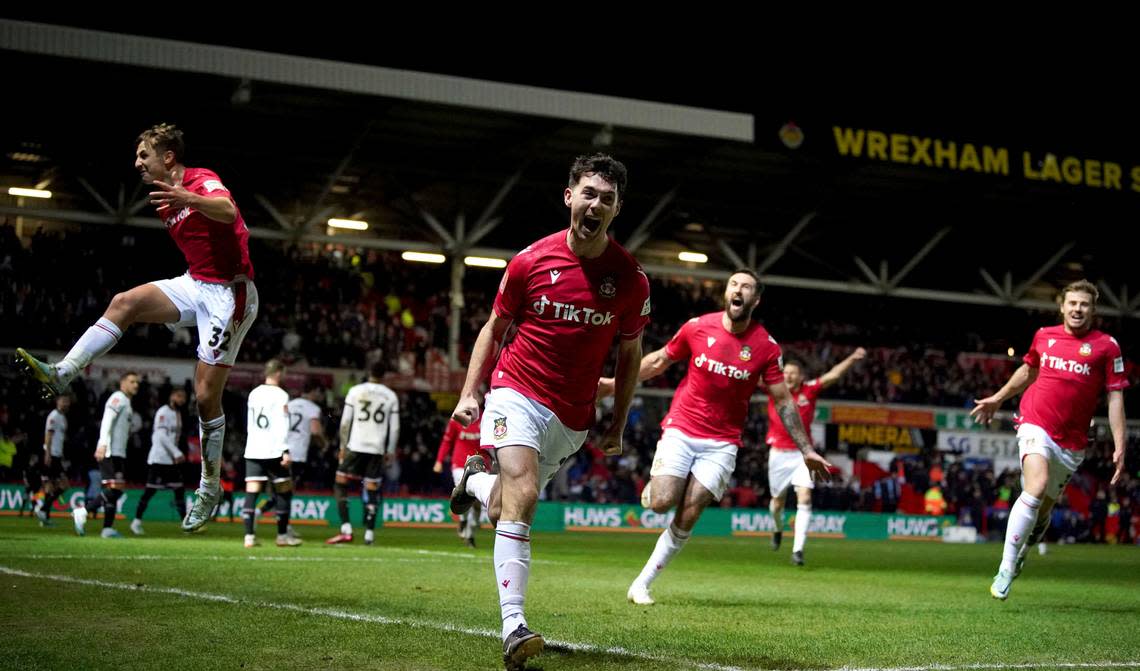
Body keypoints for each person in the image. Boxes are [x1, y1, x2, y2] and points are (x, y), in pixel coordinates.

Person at [448, 154, 649, 670]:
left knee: (501, 507)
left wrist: (620, 424)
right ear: (569, 197)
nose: (595, 204)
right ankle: (513, 626)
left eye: (606, 198)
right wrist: (471, 391)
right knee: (526, 492)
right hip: (515, 389)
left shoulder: (629, 280)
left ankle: (472, 481)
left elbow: (629, 357)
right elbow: (494, 329)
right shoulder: (530, 261)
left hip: (572, 417)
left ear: (617, 208)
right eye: (588, 193)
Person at [16, 123, 258, 533]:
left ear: (168, 157)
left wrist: (189, 196)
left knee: (203, 398)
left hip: (229, 294)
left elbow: (228, 211)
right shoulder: (162, 201)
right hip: (195, 283)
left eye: (144, 154)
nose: (137, 163)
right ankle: (62, 373)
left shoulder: (200, 179)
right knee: (124, 303)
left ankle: (209, 487)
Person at [598, 270, 831, 606]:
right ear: (726, 293)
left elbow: (783, 400)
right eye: (733, 284)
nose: (738, 290)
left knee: (690, 511)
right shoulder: (697, 327)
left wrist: (806, 448)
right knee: (663, 501)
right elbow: (660, 360)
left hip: (722, 442)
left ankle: (642, 584)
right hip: (681, 427)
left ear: (756, 299)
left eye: (746, 287)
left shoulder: (766, 346)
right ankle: (658, 487)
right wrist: (614, 383)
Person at [971, 280, 1128, 600]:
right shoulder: (1044, 336)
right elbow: (1028, 371)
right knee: (1036, 486)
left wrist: (1119, 443)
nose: (1077, 309)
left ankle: (1026, 548)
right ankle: (1005, 567)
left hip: (1071, 442)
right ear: (1062, 306)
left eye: (1084, 304)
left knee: (1044, 510)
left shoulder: (1107, 346)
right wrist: (998, 398)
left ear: (1093, 310)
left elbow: (1115, 398)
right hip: (1035, 422)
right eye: (1072, 303)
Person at [765, 349, 865, 565]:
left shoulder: (809, 391)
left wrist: (851, 358)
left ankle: (797, 550)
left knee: (805, 497)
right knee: (777, 504)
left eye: (793, 373)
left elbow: (833, 375)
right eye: (786, 372)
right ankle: (777, 528)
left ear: (801, 377)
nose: (788, 376)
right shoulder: (774, 390)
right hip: (778, 456)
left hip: (804, 454)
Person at [326, 362, 399, 546]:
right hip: (376, 448)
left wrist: (343, 445)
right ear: (384, 375)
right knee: (372, 490)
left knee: (340, 482)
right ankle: (369, 535)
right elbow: (395, 427)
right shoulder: (391, 396)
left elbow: (345, 422)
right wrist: (390, 450)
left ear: (368, 373)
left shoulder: (355, 391)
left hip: (356, 445)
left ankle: (346, 529)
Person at [241, 360, 300, 548]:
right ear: (279, 373)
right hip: (273, 449)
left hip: (254, 448)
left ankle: (249, 537)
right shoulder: (281, 395)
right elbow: (282, 424)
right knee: (284, 491)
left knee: (252, 493)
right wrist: (285, 450)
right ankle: (282, 536)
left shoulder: (254, 393)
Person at [256, 381, 326, 536]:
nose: (320, 396)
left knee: (282, 490)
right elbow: (315, 431)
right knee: (285, 492)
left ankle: (283, 525)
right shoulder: (313, 408)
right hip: (298, 455)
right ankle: (259, 512)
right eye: (319, 392)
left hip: (281, 450)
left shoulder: (290, 404)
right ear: (313, 391)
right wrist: (324, 443)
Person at [77, 372, 140, 538]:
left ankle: (107, 528)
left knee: (114, 490)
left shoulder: (127, 401)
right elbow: (107, 420)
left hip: (118, 452)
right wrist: (103, 444)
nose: (136, 385)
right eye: (132, 381)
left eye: (137, 382)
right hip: (111, 451)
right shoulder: (118, 397)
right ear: (122, 383)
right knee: (116, 489)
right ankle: (83, 511)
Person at [131, 388, 188, 535]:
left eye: (183, 397)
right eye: (179, 396)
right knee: (149, 491)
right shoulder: (163, 412)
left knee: (179, 490)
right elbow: (160, 435)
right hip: (159, 458)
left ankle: (186, 524)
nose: (181, 400)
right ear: (171, 396)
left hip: (170, 460)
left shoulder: (178, 413)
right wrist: (176, 452)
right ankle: (136, 522)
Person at [433, 417, 491, 547]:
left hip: (481, 465)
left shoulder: (487, 417)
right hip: (460, 465)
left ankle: (470, 528)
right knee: (465, 496)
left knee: (478, 503)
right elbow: (447, 441)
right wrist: (439, 460)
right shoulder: (457, 419)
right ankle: (466, 526)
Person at [36, 394, 72, 527]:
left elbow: (59, 438)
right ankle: (43, 510)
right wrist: (47, 454)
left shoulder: (62, 418)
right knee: (64, 485)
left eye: (67, 401)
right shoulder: (54, 416)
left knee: (50, 487)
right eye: (63, 401)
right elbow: (49, 435)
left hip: (56, 455)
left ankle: (44, 516)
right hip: (51, 455)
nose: (66, 404)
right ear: (57, 402)